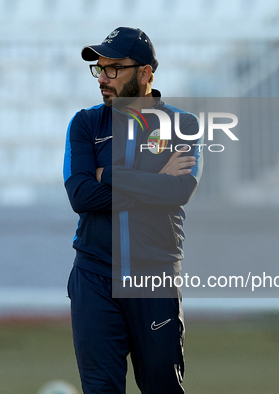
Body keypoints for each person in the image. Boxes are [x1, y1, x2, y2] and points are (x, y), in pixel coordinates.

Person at [63, 27, 203, 393]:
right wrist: (153, 180)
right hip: (94, 276)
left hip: (153, 277)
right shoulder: (85, 124)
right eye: (100, 69)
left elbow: (181, 189)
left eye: (114, 69)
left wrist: (106, 174)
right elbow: (81, 195)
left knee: (162, 387)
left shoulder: (182, 124)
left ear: (145, 73)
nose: (103, 79)